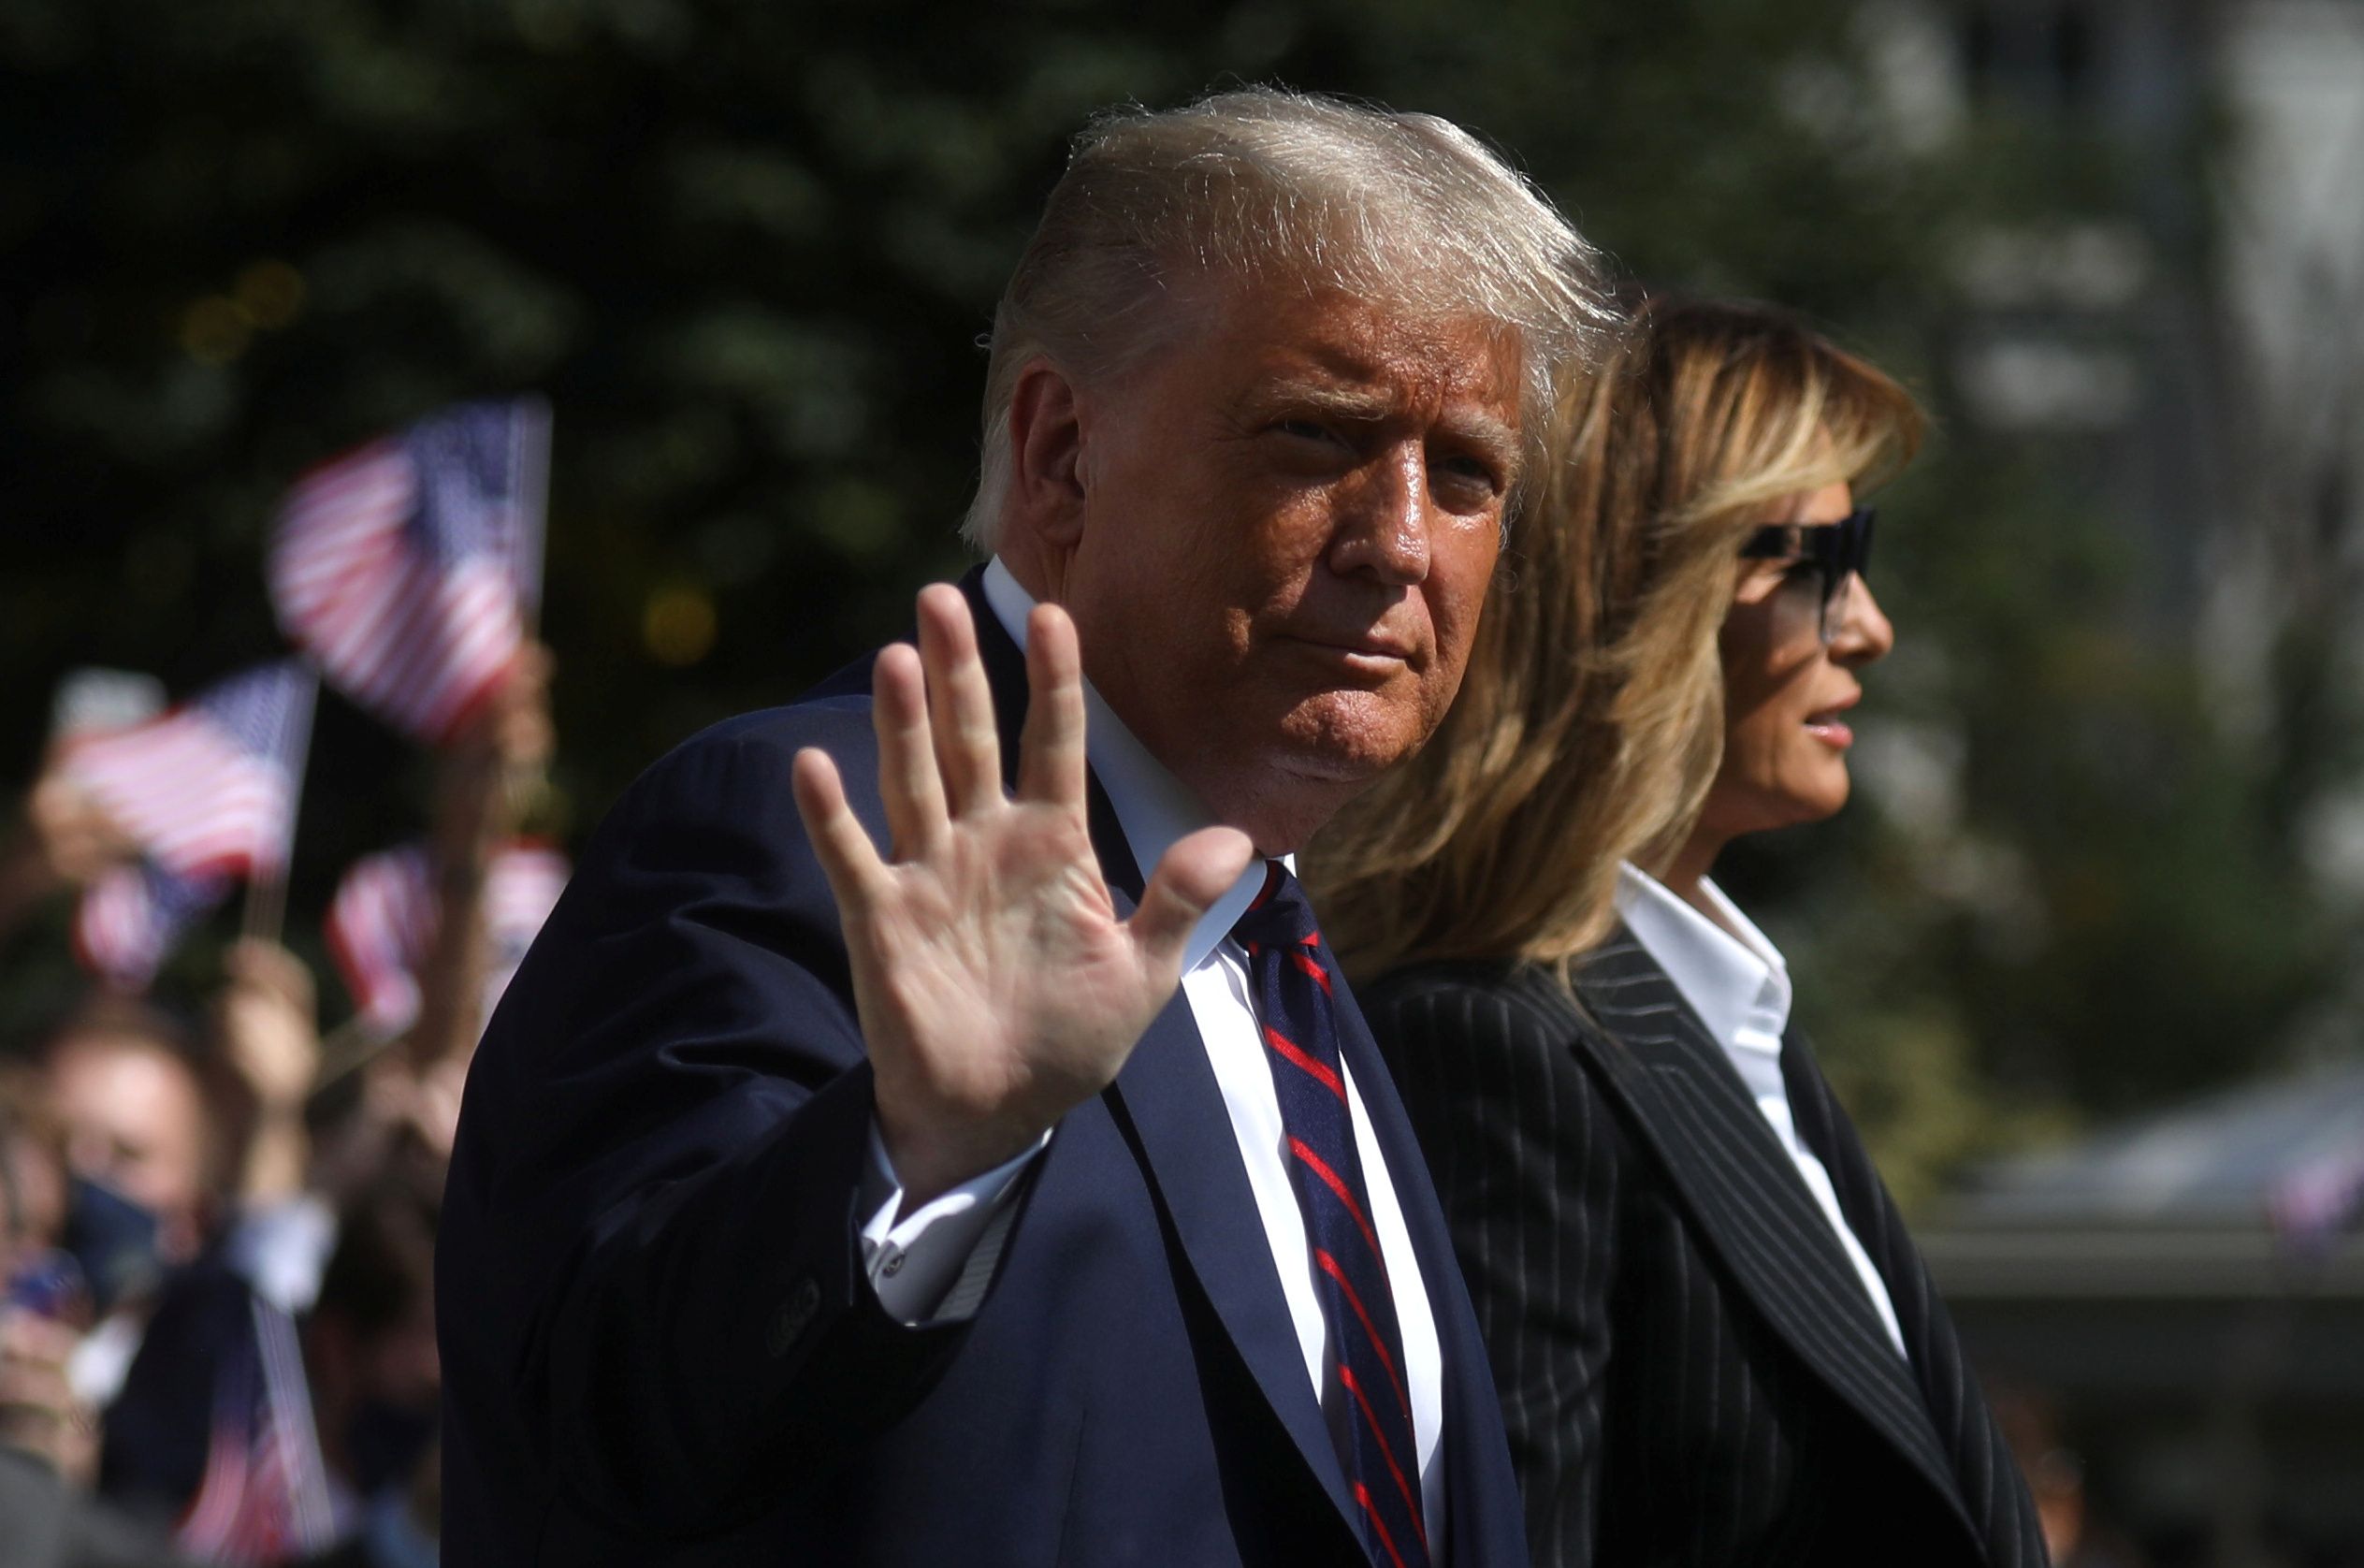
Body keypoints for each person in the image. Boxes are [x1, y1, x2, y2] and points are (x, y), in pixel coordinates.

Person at [438, 87, 1612, 1564]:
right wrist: (920, 1158)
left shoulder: (1290, 966)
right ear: (1062, 454)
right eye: (1319, 436)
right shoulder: (804, 830)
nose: (1400, 541)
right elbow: (598, 1429)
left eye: (1467, 475)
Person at [1307, 295, 2048, 1566]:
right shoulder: (1492, 1047)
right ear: (1637, 593)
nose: (1866, 626)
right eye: (1816, 561)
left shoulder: (1729, 1016)